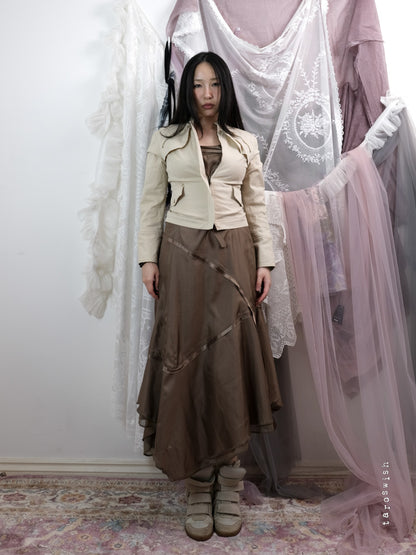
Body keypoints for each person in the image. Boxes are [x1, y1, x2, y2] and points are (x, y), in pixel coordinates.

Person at [137, 51, 282, 541]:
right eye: (198, 85)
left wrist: (265, 261)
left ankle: (230, 481)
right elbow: (151, 202)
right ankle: (199, 483)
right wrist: (148, 259)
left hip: (236, 253)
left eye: (214, 84)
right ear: (187, 90)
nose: (206, 94)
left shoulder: (245, 142)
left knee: (229, 364)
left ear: (224, 89)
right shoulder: (166, 140)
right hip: (180, 252)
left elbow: (256, 204)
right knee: (188, 361)